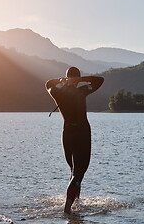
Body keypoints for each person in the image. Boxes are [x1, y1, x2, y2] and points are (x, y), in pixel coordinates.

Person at [45, 67, 104, 214]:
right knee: (79, 172)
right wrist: (81, 80)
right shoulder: (81, 91)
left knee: (73, 171)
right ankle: (67, 208)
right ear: (77, 79)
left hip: (67, 134)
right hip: (82, 133)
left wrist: (61, 80)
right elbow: (99, 80)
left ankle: (76, 203)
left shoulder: (57, 92)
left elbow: (48, 83)